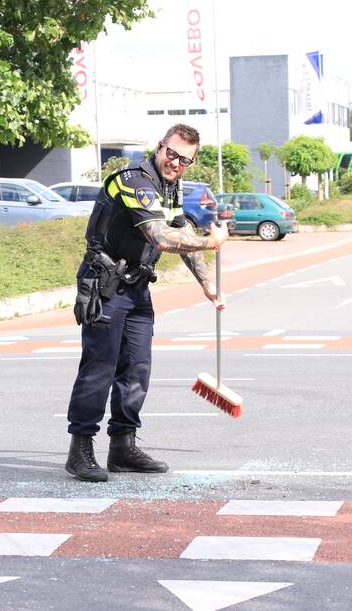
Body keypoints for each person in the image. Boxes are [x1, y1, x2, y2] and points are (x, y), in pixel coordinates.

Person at [66, 123, 229, 482]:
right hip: (105, 284)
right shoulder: (132, 180)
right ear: (160, 147)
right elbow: (159, 236)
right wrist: (211, 243)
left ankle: (123, 447)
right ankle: (80, 450)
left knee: (137, 368)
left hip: (138, 288)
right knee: (100, 367)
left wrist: (207, 285)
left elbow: (180, 229)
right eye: (172, 154)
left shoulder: (172, 187)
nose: (176, 163)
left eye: (185, 160)